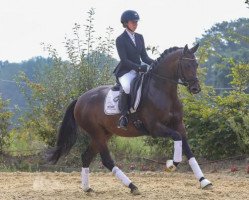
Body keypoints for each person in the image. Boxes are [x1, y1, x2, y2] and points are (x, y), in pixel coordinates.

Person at [113, 10, 154, 130]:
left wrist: (156, 63)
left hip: (139, 70)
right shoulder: (120, 39)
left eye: (137, 22)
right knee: (127, 87)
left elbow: (144, 57)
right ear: (126, 23)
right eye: (133, 22)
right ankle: (124, 116)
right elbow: (124, 60)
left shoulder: (140, 37)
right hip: (125, 71)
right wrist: (139, 67)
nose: (136, 24)